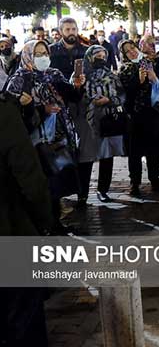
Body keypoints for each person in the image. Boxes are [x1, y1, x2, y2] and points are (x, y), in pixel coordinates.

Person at [5, 40, 85, 233]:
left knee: (57, 182)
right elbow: (11, 112)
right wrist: (41, 109)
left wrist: (77, 86)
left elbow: (71, 96)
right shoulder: (20, 79)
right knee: (42, 183)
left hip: (59, 137)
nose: (43, 57)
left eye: (45, 53)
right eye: (38, 53)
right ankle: (42, 225)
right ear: (28, 55)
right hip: (36, 141)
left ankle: (55, 222)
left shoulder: (54, 74)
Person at [0, 91, 54, 346]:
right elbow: (30, 179)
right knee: (23, 325)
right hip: (9, 233)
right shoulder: (3, 113)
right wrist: (45, 222)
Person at [73, 45, 125, 205]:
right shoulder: (80, 75)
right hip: (86, 121)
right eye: (97, 55)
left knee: (106, 156)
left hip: (106, 119)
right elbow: (72, 95)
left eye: (103, 55)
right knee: (85, 158)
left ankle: (103, 190)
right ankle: (82, 194)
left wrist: (109, 100)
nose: (101, 58)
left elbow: (122, 96)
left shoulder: (111, 75)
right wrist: (82, 92)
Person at [118, 40, 159, 196]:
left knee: (153, 149)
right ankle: (135, 183)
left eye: (133, 48)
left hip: (152, 113)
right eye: (127, 51)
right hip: (134, 115)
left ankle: (155, 180)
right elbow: (125, 93)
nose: (131, 51)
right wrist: (137, 81)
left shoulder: (148, 62)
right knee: (135, 152)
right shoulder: (125, 69)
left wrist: (154, 77)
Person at [140, 34, 159, 157]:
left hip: (158, 99)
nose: (142, 45)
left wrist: (155, 78)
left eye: (146, 43)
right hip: (145, 99)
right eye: (142, 43)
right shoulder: (140, 61)